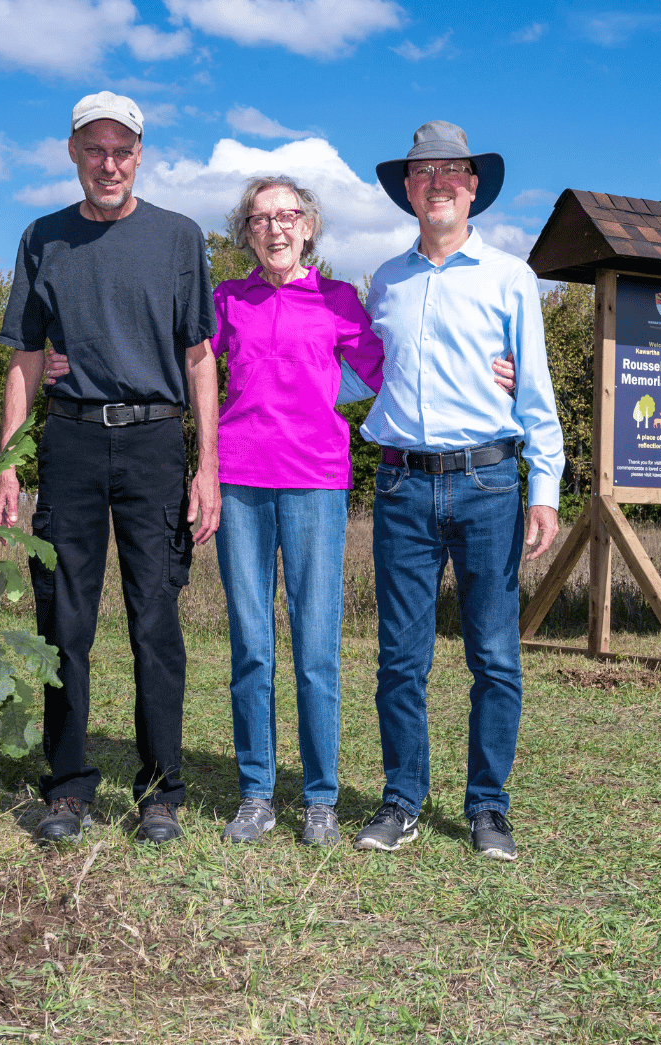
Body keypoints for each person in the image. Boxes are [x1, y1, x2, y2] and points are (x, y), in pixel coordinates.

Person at [44, 176, 516, 846]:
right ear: (247, 233)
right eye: (262, 219)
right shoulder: (225, 301)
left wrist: (499, 369)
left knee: (317, 645)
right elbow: (176, 357)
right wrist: (69, 358)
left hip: (317, 482)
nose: (276, 228)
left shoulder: (341, 300)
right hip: (239, 481)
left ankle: (320, 797)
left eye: (289, 215)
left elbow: (400, 367)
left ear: (310, 227)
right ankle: (257, 792)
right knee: (252, 646)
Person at [0, 90, 220, 847]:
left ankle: (159, 791)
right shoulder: (42, 238)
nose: (109, 162)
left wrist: (205, 465)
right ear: (72, 153)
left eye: (122, 149)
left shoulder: (179, 238)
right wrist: (9, 464)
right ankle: (66, 786)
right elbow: (26, 358)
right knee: (63, 620)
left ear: (141, 155)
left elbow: (198, 357)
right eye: (95, 148)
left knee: (155, 622)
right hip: (72, 441)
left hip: (155, 443)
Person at [351, 120, 564, 862]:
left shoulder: (511, 278)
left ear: (473, 186)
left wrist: (547, 489)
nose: (437, 181)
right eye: (422, 171)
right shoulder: (385, 279)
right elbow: (356, 371)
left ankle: (488, 808)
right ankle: (402, 801)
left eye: (452, 171)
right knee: (400, 659)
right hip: (403, 484)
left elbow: (534, 391)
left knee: (495, 658)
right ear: (407, 189)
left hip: (489, 482)